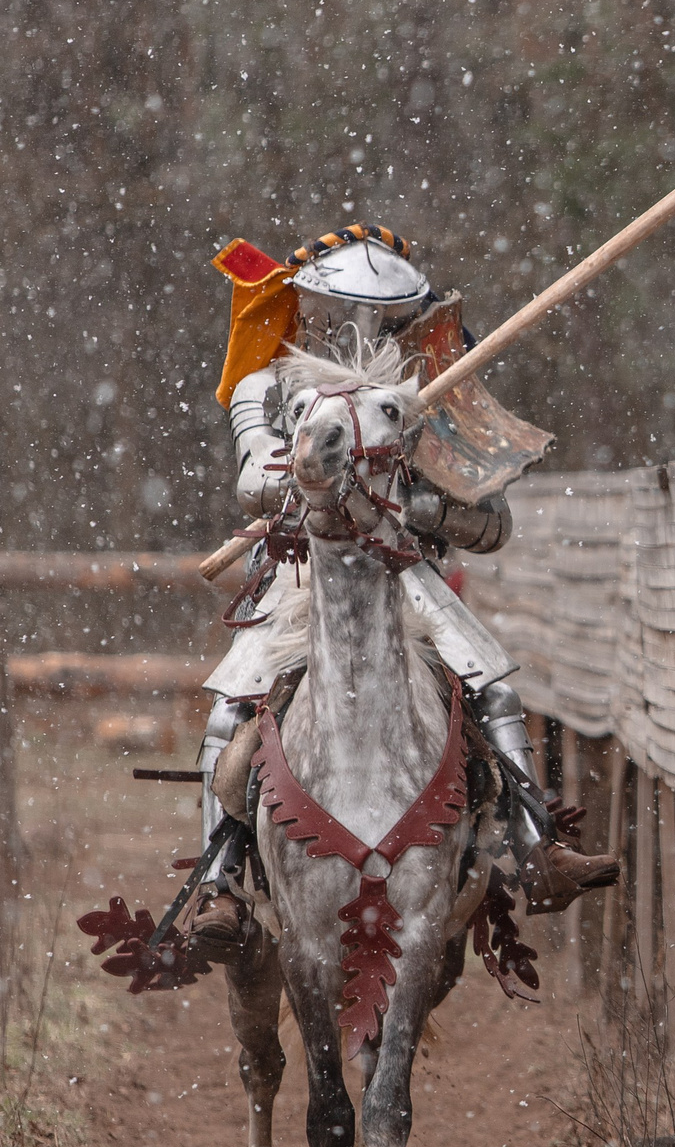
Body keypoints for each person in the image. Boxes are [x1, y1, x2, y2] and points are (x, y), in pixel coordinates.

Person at [191, 224, 608, 958]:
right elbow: (253, 478)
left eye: (378, 318)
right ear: (309, 305)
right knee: (233, 707)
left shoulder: (428, 393)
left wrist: (418, 504)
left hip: (404, 570)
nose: (358, 331)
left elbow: (493, 524)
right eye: (342, 314)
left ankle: (537, 849)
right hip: (303, 578)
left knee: (494, 692)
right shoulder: (272, 384)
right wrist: (316, 468)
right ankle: (222, 883)